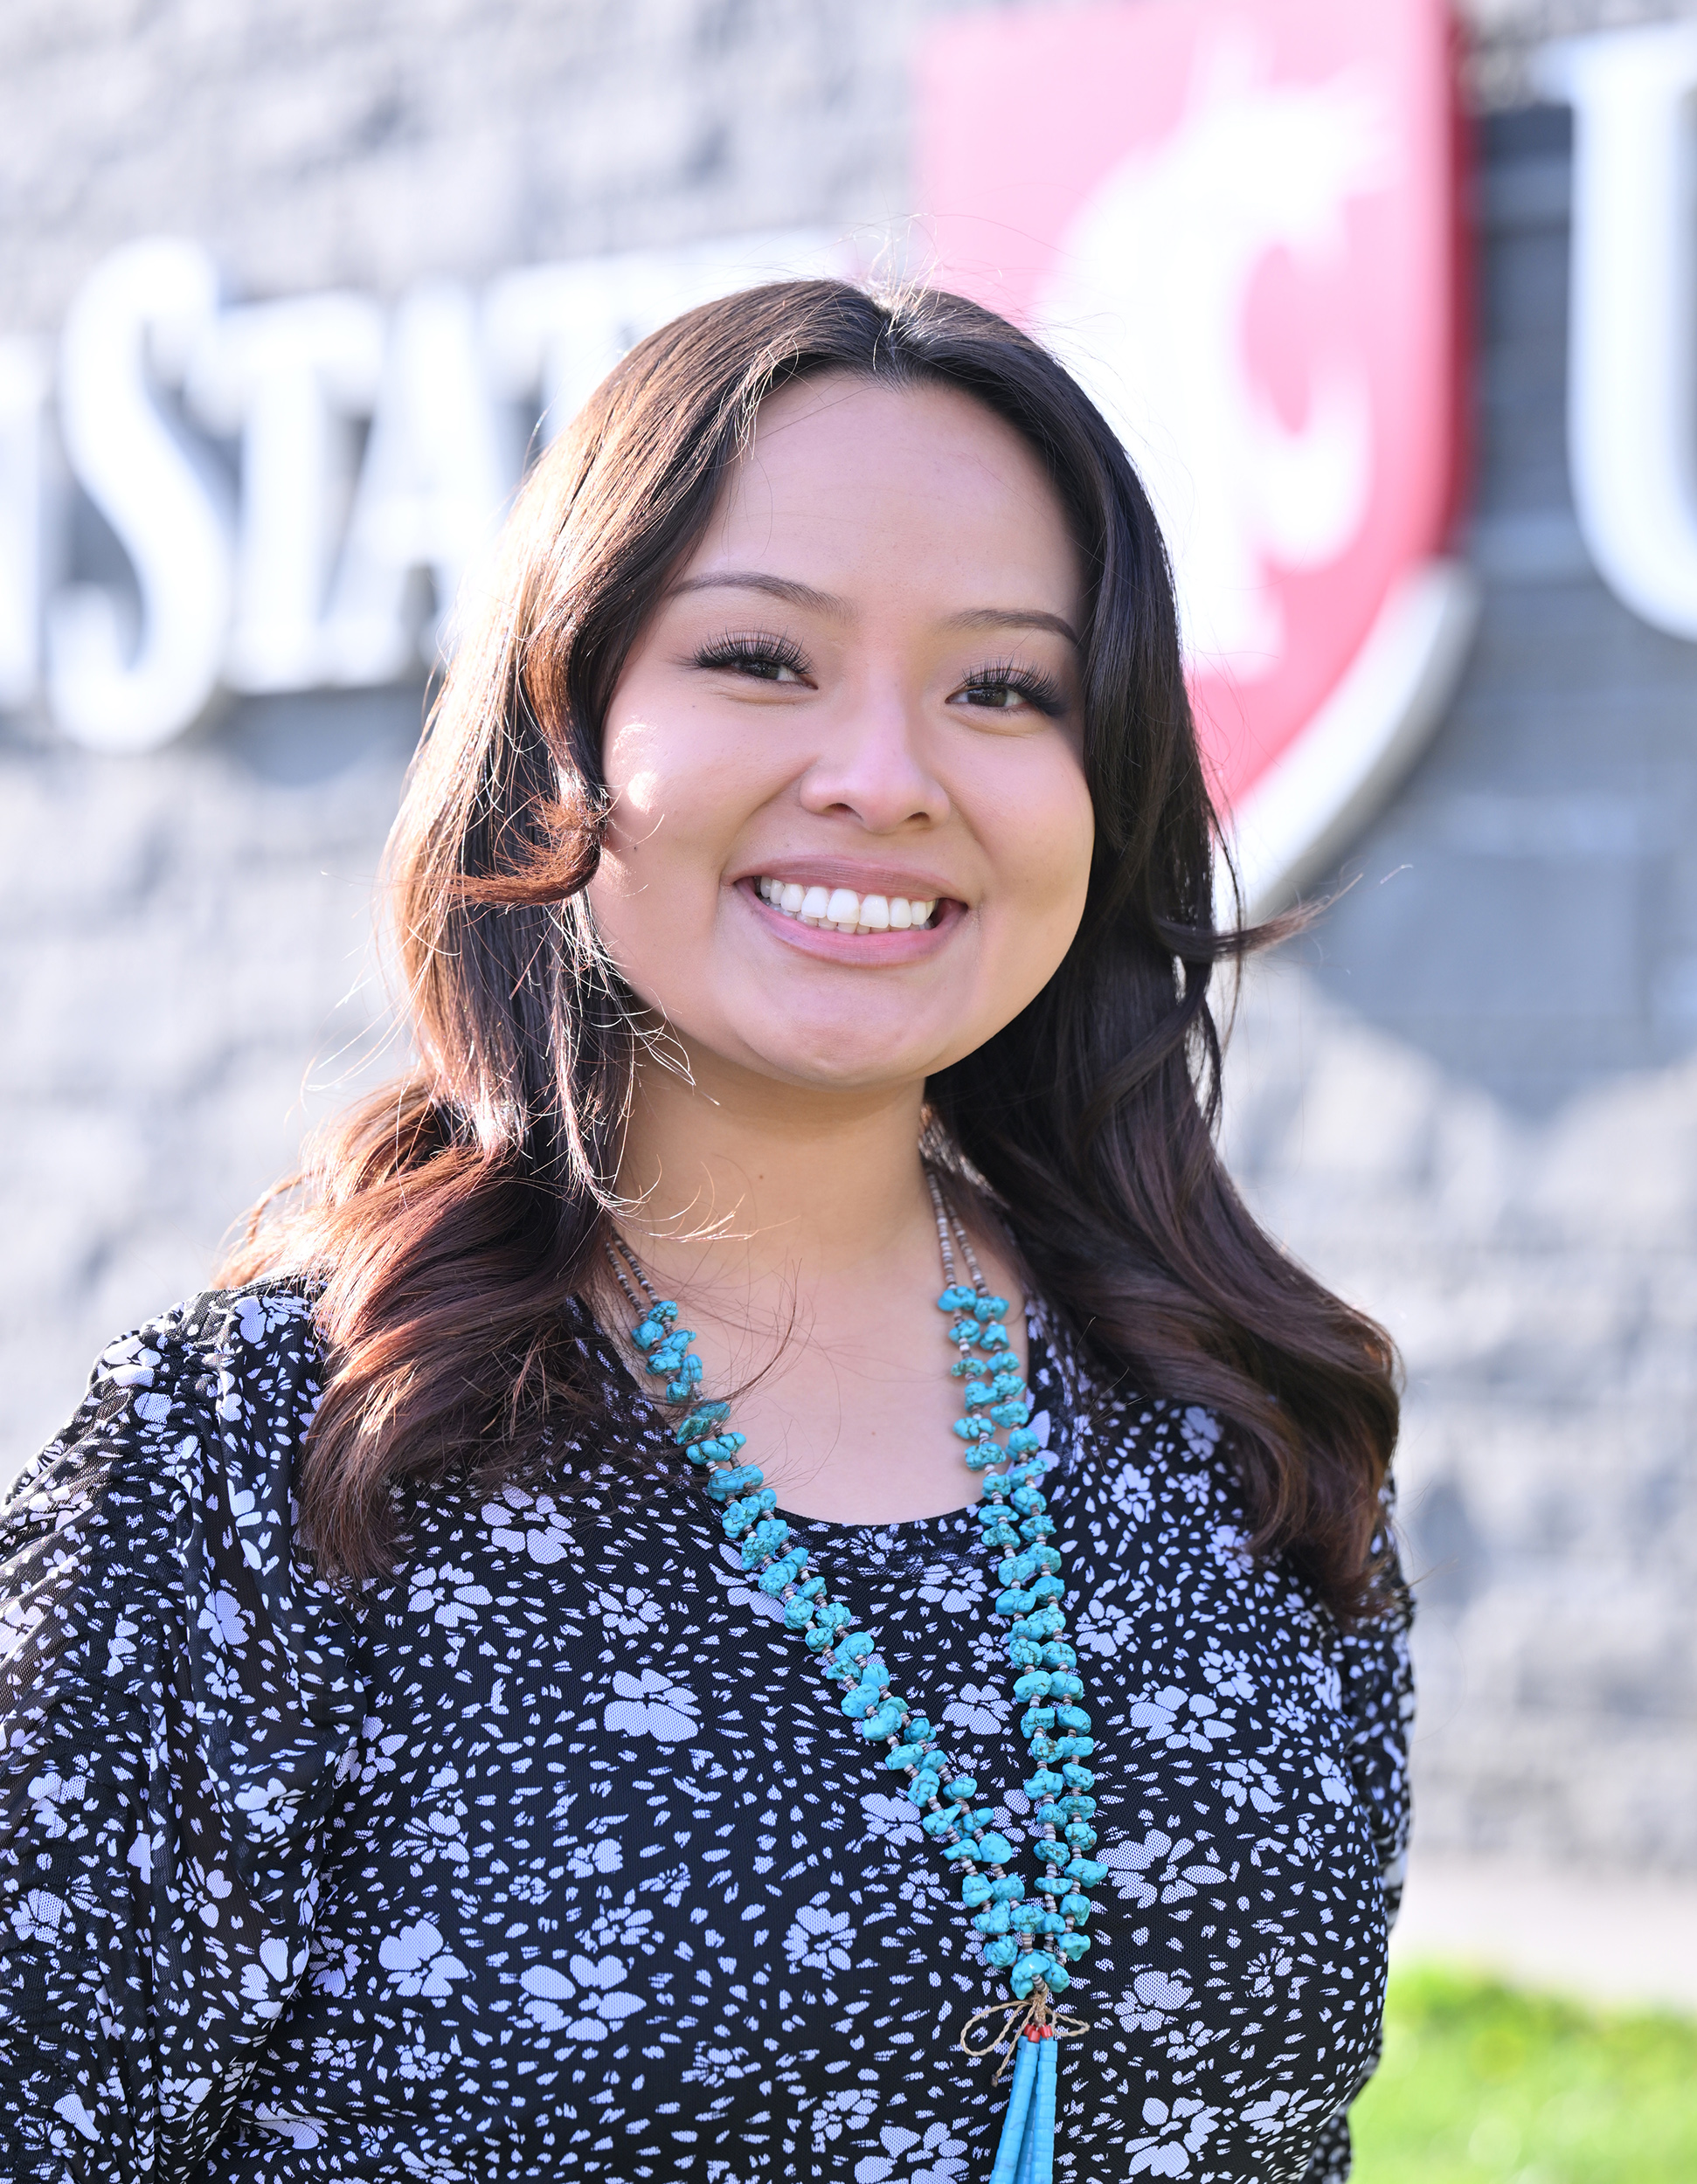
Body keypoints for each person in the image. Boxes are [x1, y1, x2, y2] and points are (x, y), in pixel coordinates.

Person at [0, 280, 1410, 2184]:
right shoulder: (273, 1454)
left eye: (1004, 685)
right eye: (760, 657)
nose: (886, 773)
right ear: (553, 731)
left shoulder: (1238, 1429)